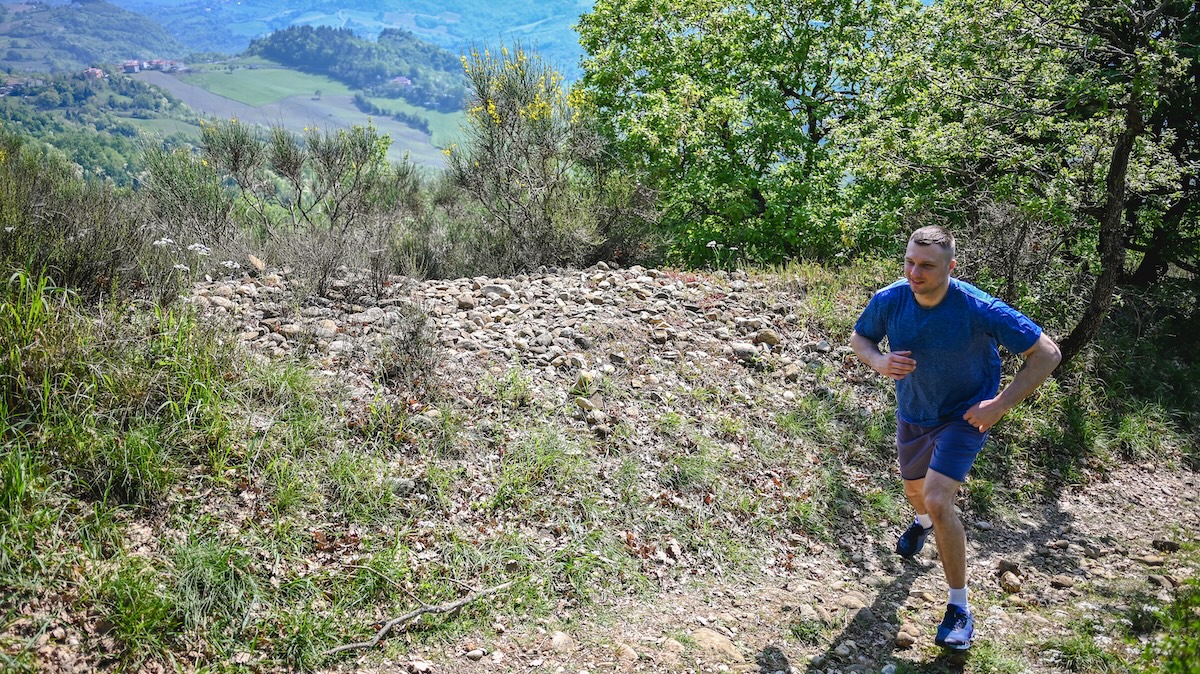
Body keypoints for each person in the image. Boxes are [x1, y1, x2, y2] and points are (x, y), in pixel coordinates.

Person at [849, 226, 1061, 650]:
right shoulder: (890, 299)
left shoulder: (979, 307)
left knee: (937, 497)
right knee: (916, 493)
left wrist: (998, 405)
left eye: (926, 265)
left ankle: (959, 609)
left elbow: (1047, 353)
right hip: (915, 413)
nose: (915, 272)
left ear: (951, 266)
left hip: (965, 416)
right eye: (910, 262)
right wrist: (879, 361)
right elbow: (861, 338)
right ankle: (923, 524)